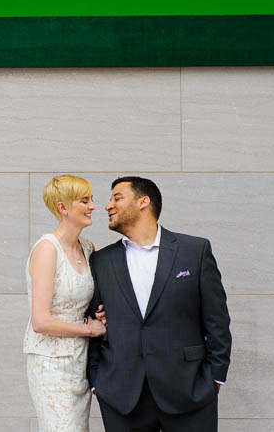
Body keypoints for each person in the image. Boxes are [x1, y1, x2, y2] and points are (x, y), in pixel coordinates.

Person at [87, 176, 231, 432]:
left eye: (117, 198)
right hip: (122, 396)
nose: (108, 206)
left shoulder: (194, 251)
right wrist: (98, 380)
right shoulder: (101, 261)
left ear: (144, 202)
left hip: (190, 391)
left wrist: (215, 377)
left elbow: (217, 320)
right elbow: (92, 321)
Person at [24, 174, 107, 432]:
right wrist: (89, 329)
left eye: (91, 199)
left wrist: (100, 315)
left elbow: (87, 301)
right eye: (84, 200)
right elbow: (40, 321)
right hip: (50, 364)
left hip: (79, 362)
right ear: (63, 208)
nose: (93, 205)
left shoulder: (88, 247)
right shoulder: (47, 249)